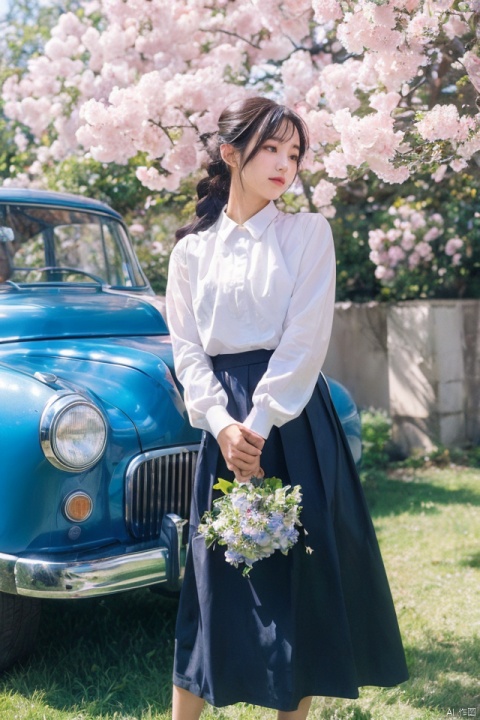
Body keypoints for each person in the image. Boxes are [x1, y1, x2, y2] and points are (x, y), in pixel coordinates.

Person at [165, 96, 409, 720]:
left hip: (292, 416)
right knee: (211, 579)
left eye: (293, 153)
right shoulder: (190, 252)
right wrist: (222, 425)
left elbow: (305, 338)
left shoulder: (308, 233)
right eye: (270, 148)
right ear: (230, 154)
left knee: (295, 583)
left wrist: (261, 420)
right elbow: (187, 351)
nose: (284, 164)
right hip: (220, 423)